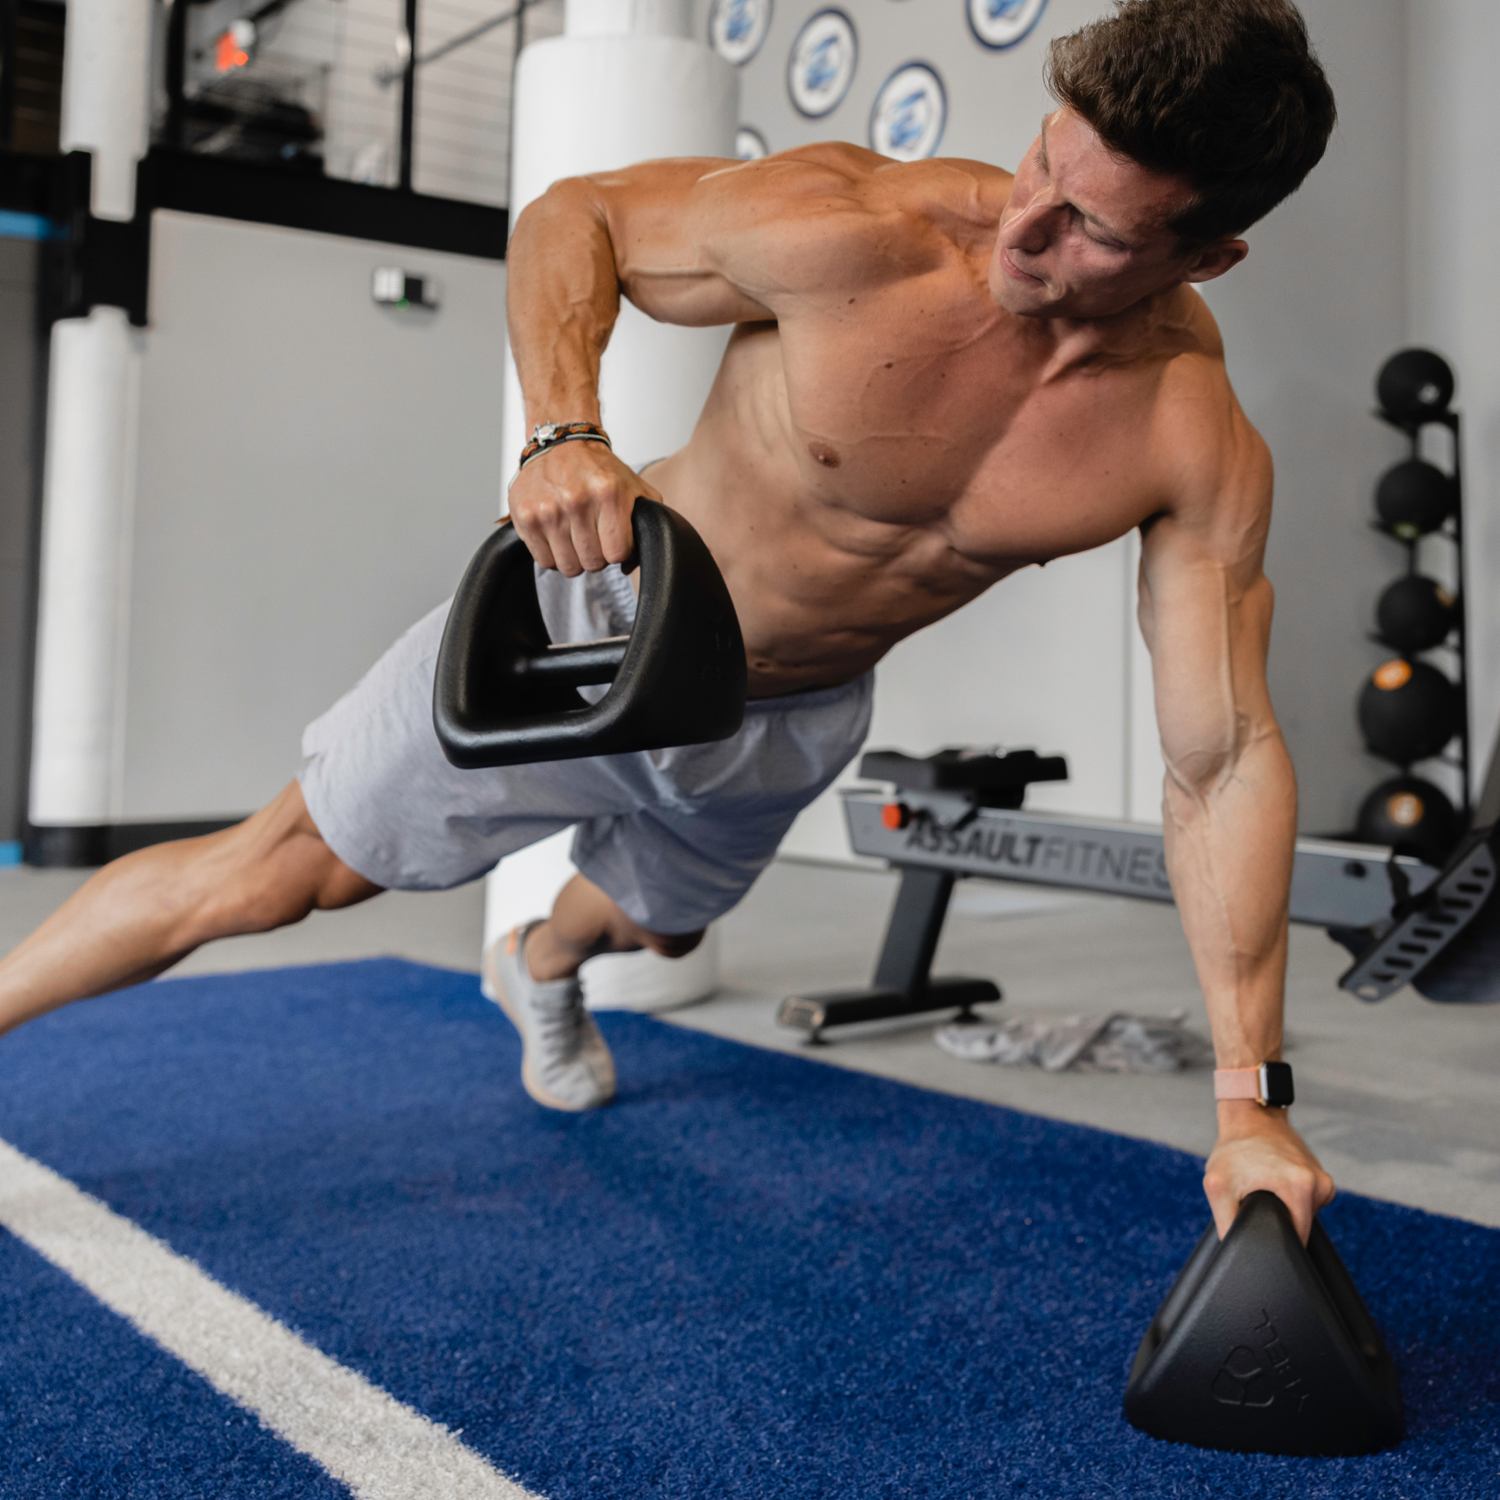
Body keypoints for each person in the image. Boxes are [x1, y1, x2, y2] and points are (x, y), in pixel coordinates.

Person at [0, 0, 1337, 1241]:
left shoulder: (1187, 436)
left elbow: (1219, 759)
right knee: (284, 871)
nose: (1028, 232)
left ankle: (539, 962)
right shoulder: (865, 231)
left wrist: (1249, 1102)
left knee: (659, 930)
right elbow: (575, 216)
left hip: (788, 717)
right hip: (593, 619)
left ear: (1208, 256)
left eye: (1095, 229)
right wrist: (563, 431)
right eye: (1045, 162)